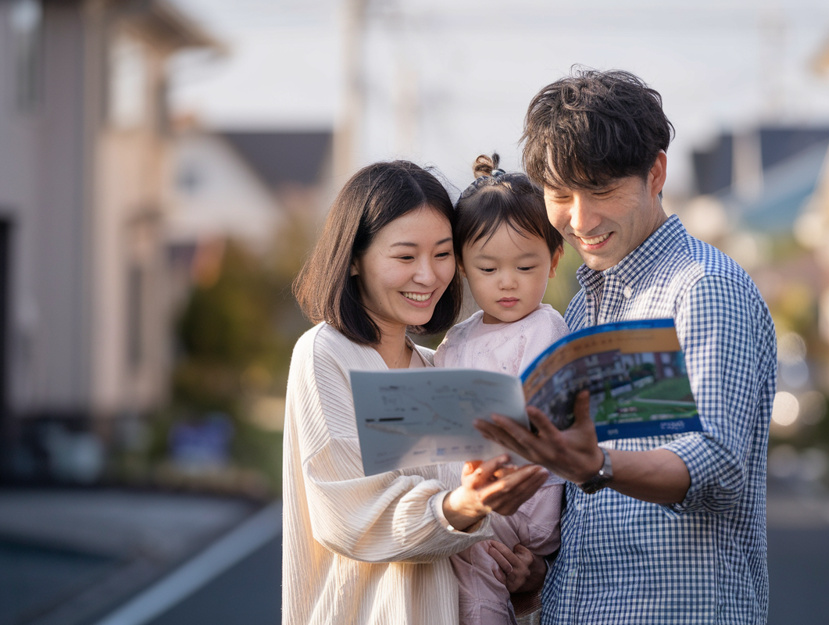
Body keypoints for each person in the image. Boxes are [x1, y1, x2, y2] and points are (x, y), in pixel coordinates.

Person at [475, 69, 777, 624]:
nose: (580, 219)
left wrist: (599, 465)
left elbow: (717, 465)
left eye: (602, 190)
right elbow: (593, 511)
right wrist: (540, 575)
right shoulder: (581, 309)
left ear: (655, 173)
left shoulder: (703, 289)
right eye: (560, 195)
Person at [283, 160, 549, 625]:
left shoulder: (438, 366)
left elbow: (480, 539)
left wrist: (526, 574)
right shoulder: (326, 352)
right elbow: (347, 514)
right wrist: (464, 505)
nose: (428, 276)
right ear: (353, 259)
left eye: (442, 254)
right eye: (405, 258)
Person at [435, 154, 569, 625]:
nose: (507, 283)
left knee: (481, 584)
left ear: (553, 261)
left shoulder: (545, 328)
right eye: (488, 269)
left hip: (522, 504)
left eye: (526, 266)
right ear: (463, 268)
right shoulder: (457, 338)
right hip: (463, 501)